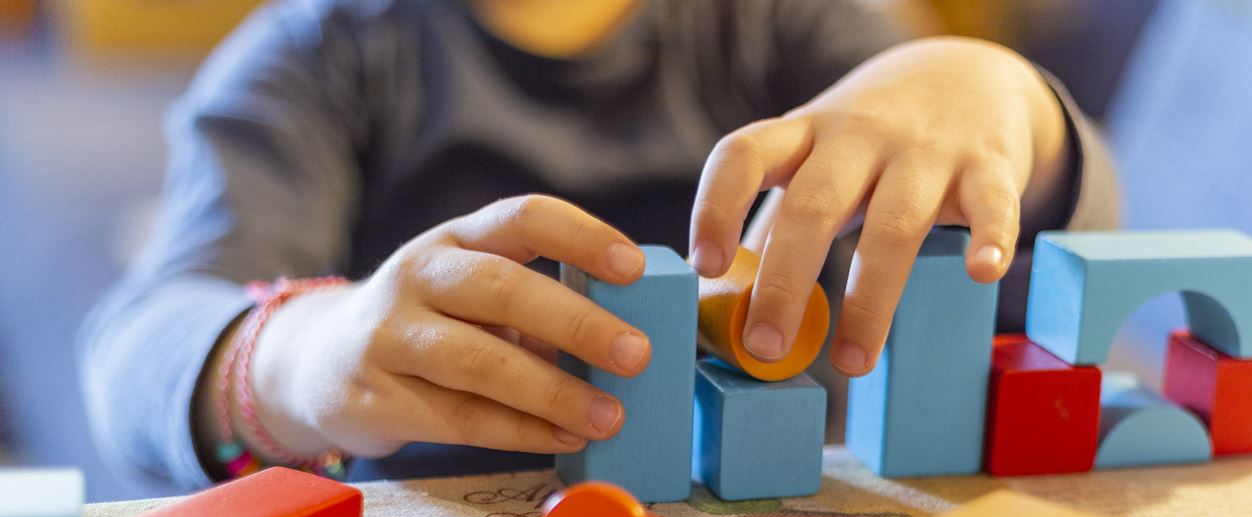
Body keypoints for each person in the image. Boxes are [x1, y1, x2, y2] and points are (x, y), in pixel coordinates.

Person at [79, 0, 1116, 488]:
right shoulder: (316, 55)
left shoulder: (784, 24)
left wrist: (1013, 105)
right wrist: (304, 355)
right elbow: (140, 345)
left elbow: (1051, 275)